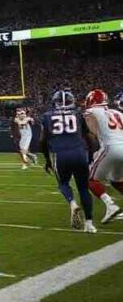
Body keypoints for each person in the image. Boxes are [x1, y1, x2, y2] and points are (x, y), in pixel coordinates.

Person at [40, 90, 96, 233]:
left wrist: (47, 160)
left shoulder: (47, 116)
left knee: (63, 183)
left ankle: (72, 202)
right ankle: (89, 223)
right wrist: (90, 156)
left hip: (60, 155)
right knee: (84, 188)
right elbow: (88, 137)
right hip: (79, 152)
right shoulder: (77, 114)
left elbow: (42, 141)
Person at [82, 89, 123, 224]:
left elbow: (94, 133)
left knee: (90, 179)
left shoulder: (91, 112)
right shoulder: (117, 112)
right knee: (115, 179)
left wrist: (96, 151)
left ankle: (110, 205)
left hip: (110, 148)